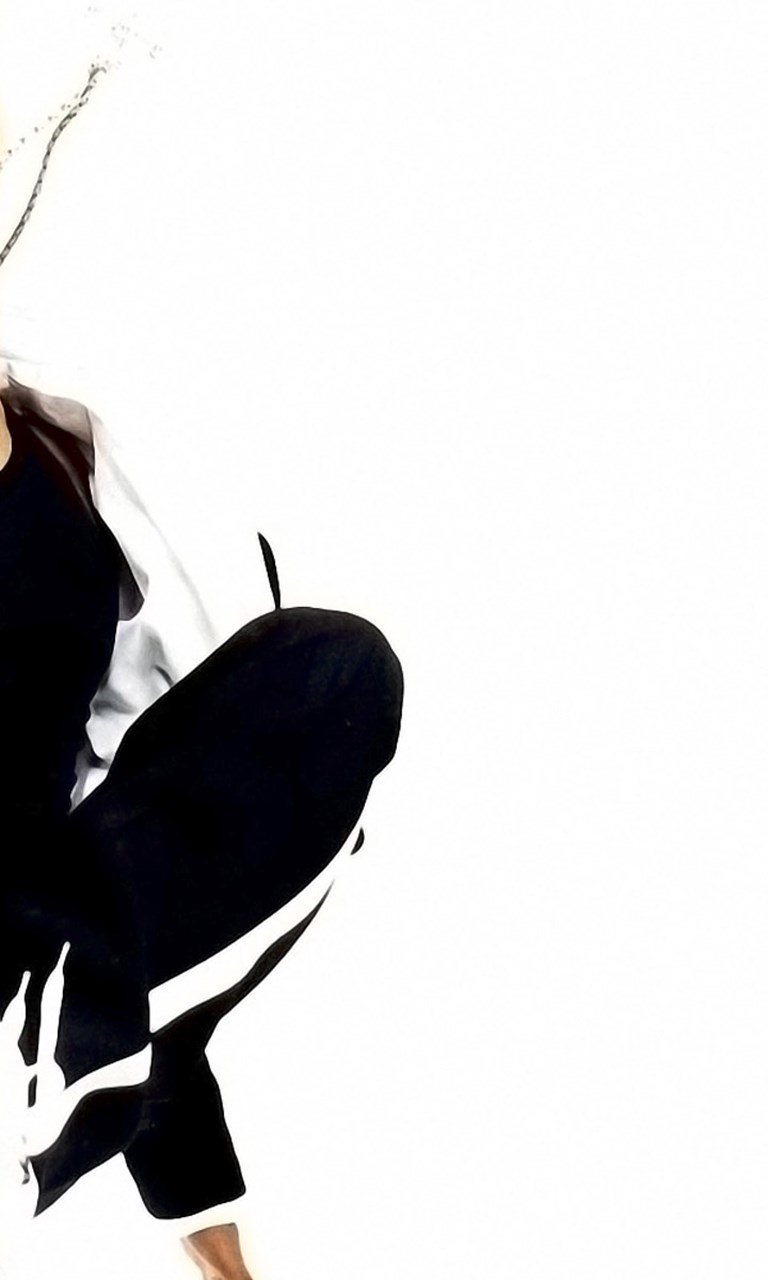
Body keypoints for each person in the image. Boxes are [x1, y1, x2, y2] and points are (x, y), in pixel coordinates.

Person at [0, 40, 404, 1280]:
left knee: (330, 666)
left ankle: (36, 1049)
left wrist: (225, 1262)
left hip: (46, 931)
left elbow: (153, 1003)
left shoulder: (69, 465)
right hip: (40, 965)